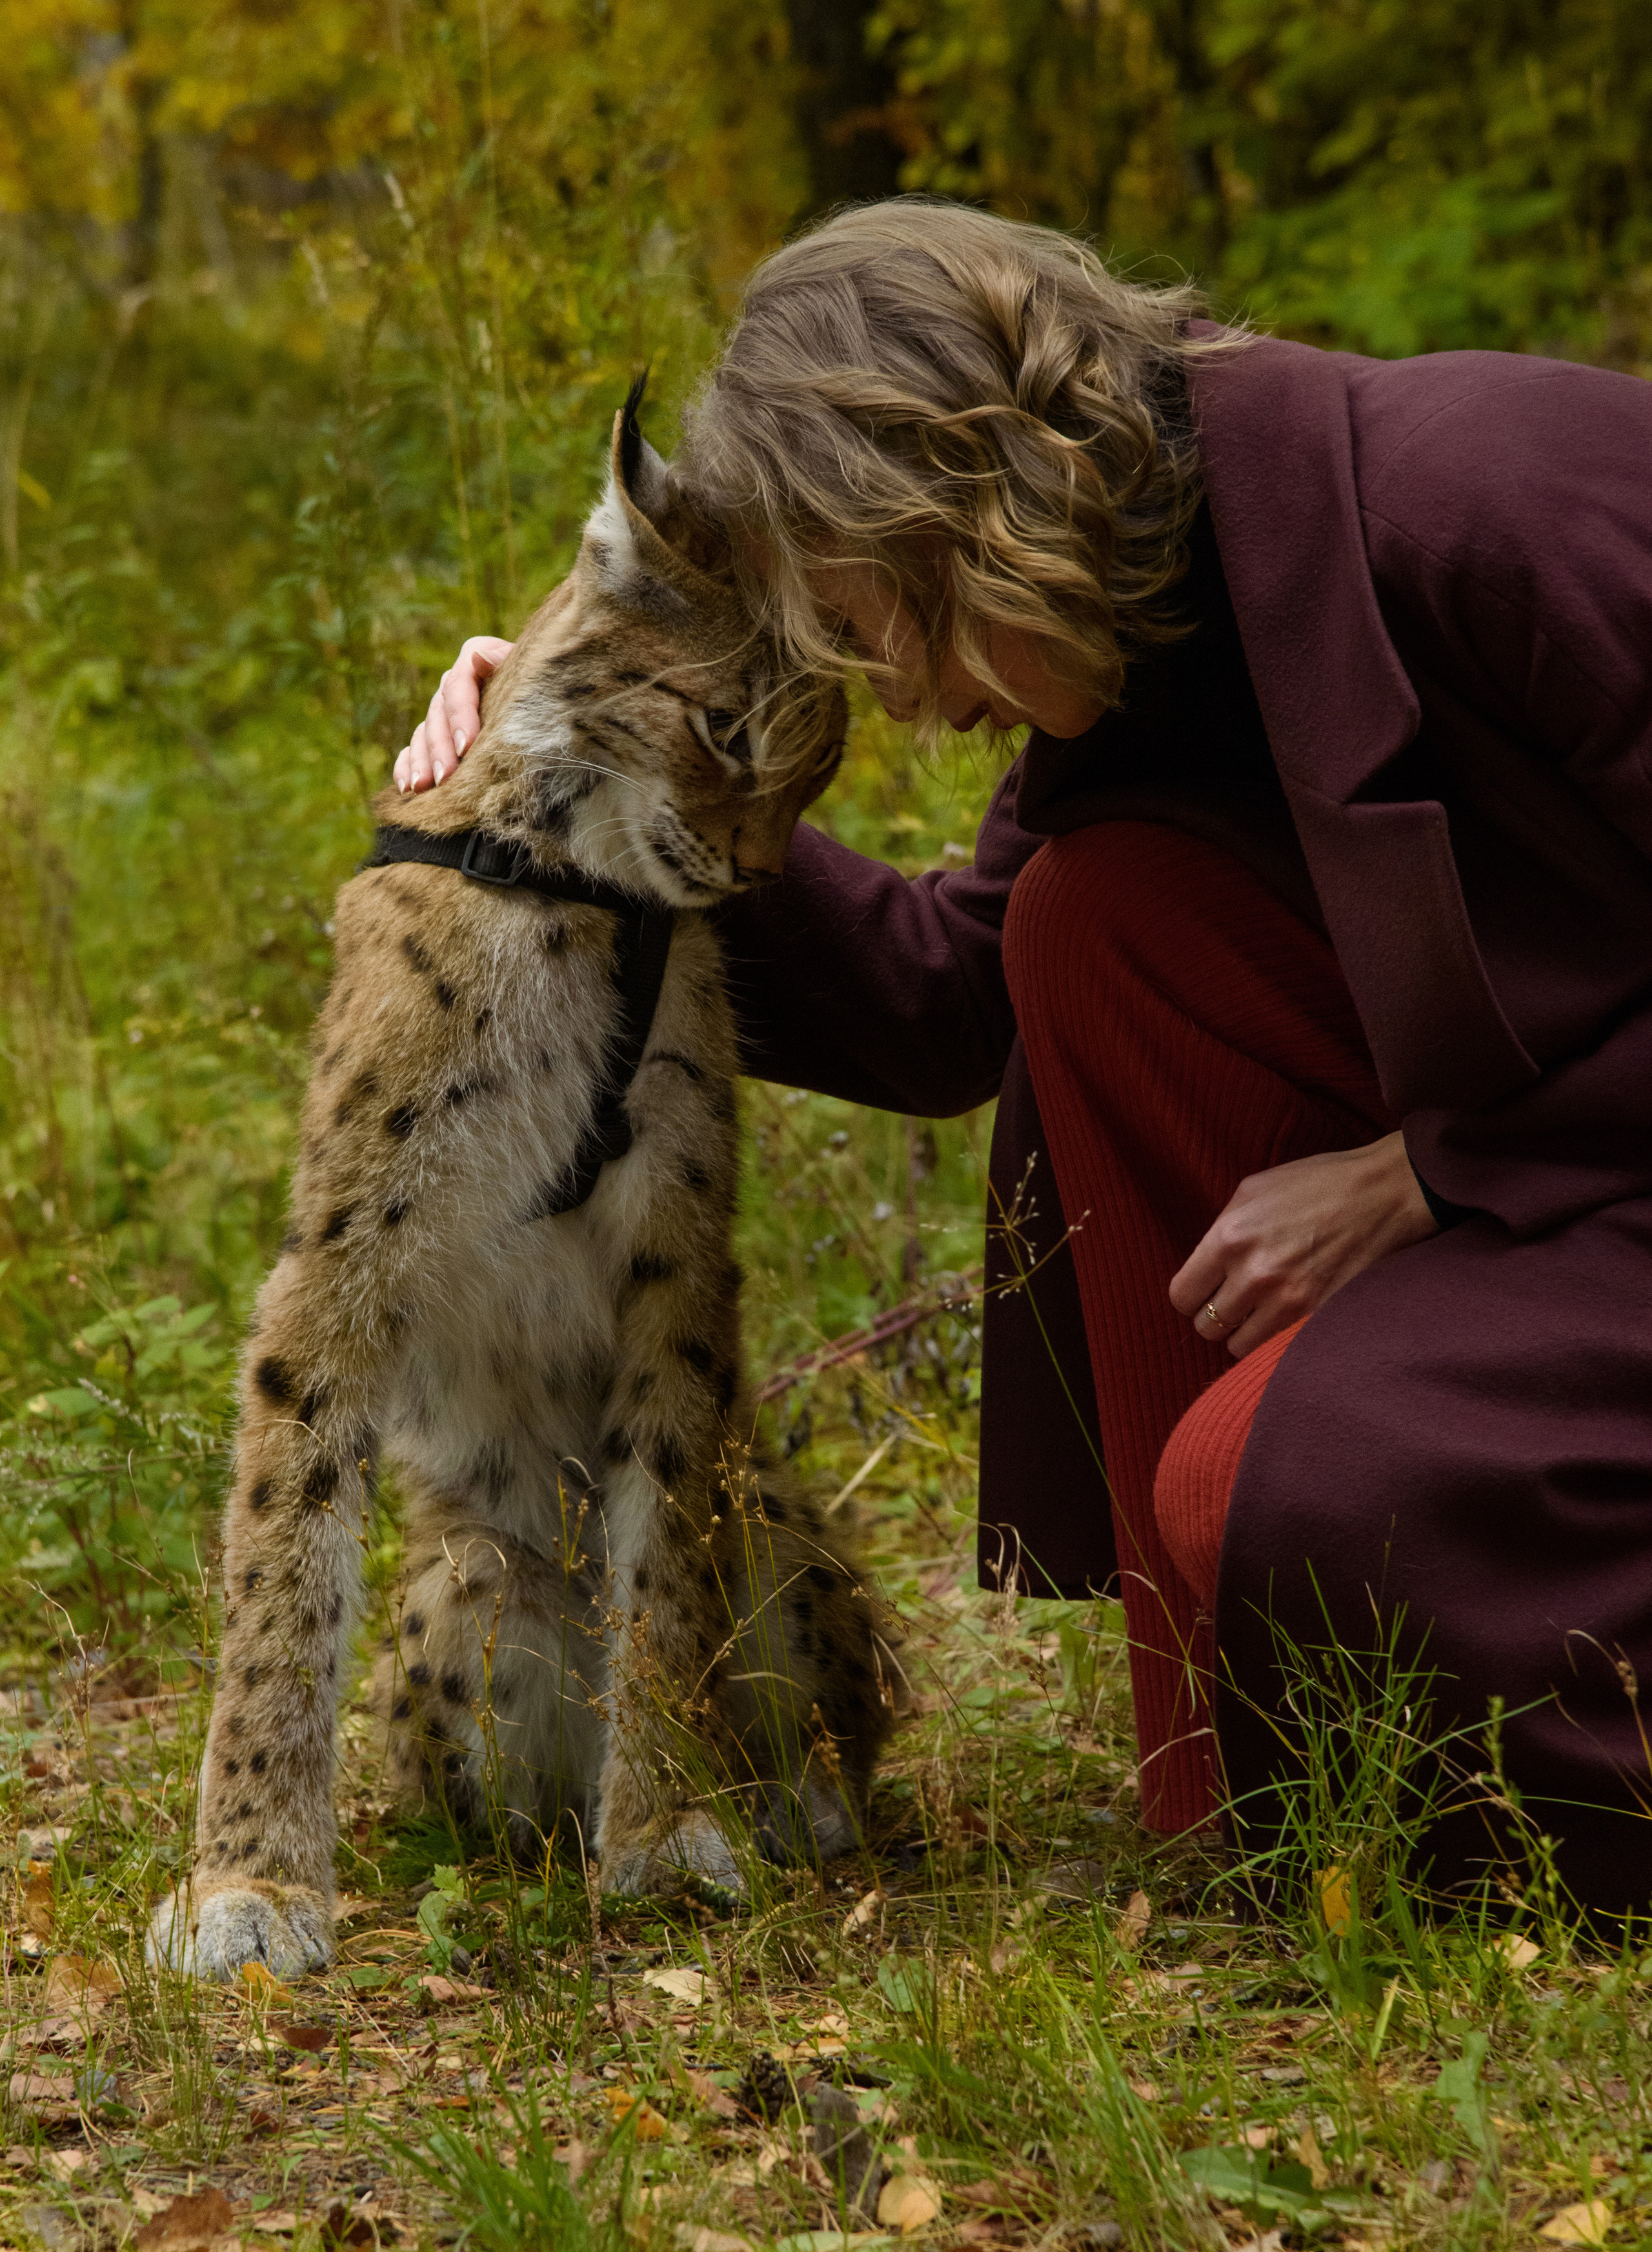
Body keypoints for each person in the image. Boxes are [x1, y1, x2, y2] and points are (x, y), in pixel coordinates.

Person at [396, 199, 1652, 1920]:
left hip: (1582, 1178)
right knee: (1094, 916)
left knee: (1274, 1486)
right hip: (1588, 1186)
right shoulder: (1149, 644)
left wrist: (1441, 1174)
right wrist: (589, 772)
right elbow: (949, 998)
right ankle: (1252, 1806)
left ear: (958, 497)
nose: (898, 696)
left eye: (868, 616)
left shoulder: (1497, 496)